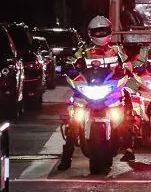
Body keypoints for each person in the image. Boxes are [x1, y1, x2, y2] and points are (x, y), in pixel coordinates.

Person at [58, 15, 136, 170]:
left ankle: (129, 145)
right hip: (88, 88)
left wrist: (127, 69)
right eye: (97, 31)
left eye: (103, 31)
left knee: (127, 102)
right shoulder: (84, 50)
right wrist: (68, 67)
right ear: (91, 33)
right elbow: (71, 62)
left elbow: (127, 64)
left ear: (109, 31)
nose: (100, 34)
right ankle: (66, 157)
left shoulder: (117, 50)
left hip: (110, 88)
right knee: (74, 118)